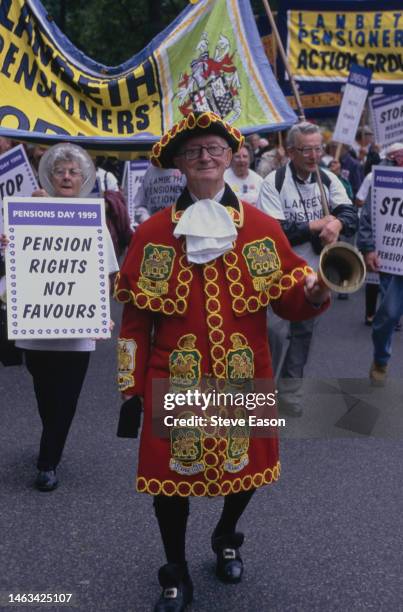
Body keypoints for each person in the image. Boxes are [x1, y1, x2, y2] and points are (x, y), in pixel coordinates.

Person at [115, 111, 330, 612]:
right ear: (180, 165)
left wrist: (315, 291)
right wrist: (131, 387)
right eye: (194, 152)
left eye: (214, 149)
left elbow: (287, 300)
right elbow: (134, 321)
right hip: (176, 374)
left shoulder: (258, 228)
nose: (206, 158)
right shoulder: (152, 235)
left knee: (247, 471)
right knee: (171, 483)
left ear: (231, 156)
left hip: (243, 372)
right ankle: (174, 570)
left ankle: (227, 535)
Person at [5, 143, 119, 491]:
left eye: (73, 171)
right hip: (35, 328)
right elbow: (9, 259)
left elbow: (107, 272)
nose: (67, 177)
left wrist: (103, 314)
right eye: (60, 171)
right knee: (45, 395)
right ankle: (51, 440)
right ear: (48, 175)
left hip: (77, 330)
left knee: (66, 399)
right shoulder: (25, 210)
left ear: (84, 177)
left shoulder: (91, 218)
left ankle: (47, 462)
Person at [257, 122, 357, 417]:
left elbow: (350, 213)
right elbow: (274, 231)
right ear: (290, 152)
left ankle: (290, 395)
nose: (315, 155)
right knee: (273, 335)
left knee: (303, 337)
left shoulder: (328, 179)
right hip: (279, 275)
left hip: (316, 274)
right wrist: (314, 225)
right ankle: (263, 395)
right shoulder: (273, 182)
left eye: (318, 148)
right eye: (307, 149)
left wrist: (337, 223)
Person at [357, 142, 403, 386]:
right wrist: (367, 247)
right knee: (388, 316)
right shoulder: (383, 174)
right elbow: (368, 215)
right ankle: (381, 360)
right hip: (394, 262)